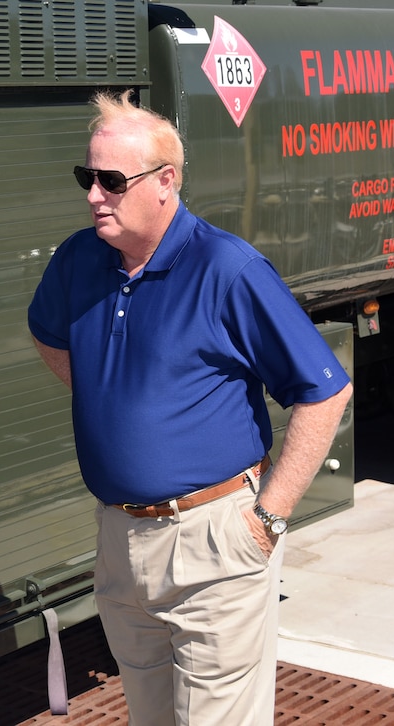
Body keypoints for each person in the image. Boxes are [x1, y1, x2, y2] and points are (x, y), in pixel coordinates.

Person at [27, 90, 353, 726]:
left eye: (111, 181)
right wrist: (109, 393)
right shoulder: (78, 259)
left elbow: (325, 390)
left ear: (164, 182)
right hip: (121, 539)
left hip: (217, 542)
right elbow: (46, 333)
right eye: (85, 178)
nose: (94, 195)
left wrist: (269, 518)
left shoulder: (227, 268)